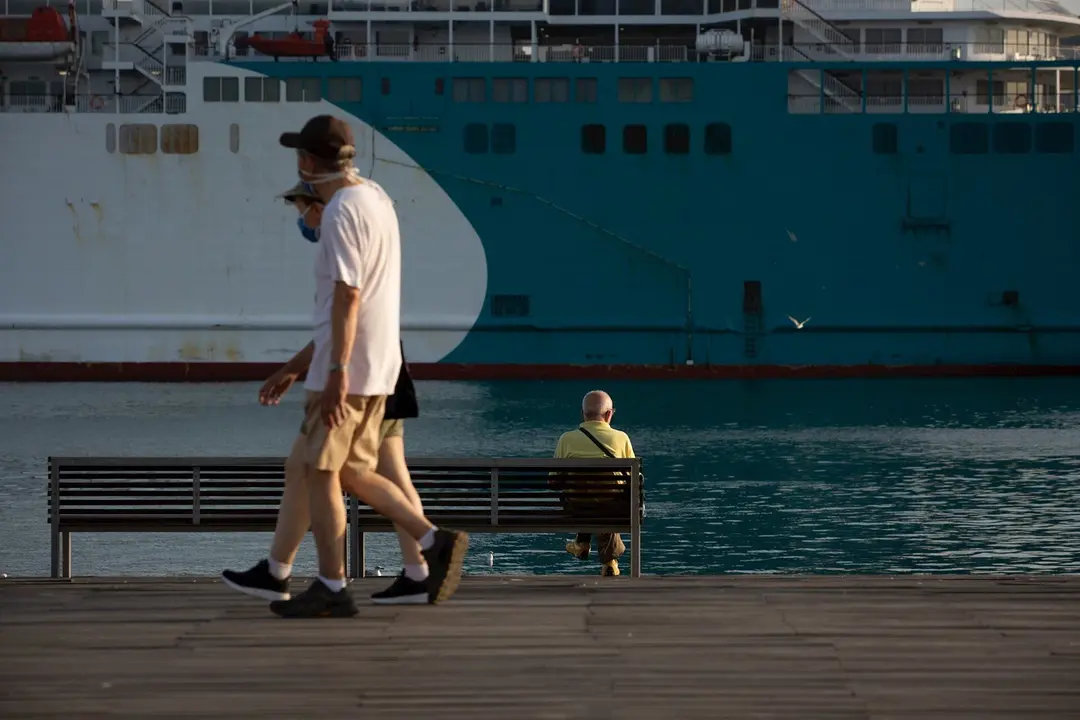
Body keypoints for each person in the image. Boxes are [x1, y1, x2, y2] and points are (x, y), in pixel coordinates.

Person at [220, 115, 467, 617]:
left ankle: (335, 585)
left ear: (308, 163)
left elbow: (348, 296)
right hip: (379, 367)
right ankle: (427, 541)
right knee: (349, 469)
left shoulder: (339, 213)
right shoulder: (376, 197)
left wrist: (333, 374)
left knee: (317, 469)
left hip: (349, 371)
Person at [276, 181, 430, 604]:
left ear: (320, 207)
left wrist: (315, 370)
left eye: (303, 207)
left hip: (363, 373)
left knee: (320, 467)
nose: (301, 218)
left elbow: (349, 315)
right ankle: (420, 568)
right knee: (384, 470)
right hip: (383, 365)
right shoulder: (361, 229)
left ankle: (315, 575)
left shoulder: (346, 240)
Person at [552, 390, 634, 577]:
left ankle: (582, 543)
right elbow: (633, 480)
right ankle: (610, 561)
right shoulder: (621, 438)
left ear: (583, 414)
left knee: (585, 495)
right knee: (609, 499)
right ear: (608, 414)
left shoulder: (566, 439)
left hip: (575, 508)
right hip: (611, 508)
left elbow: (554, 481)